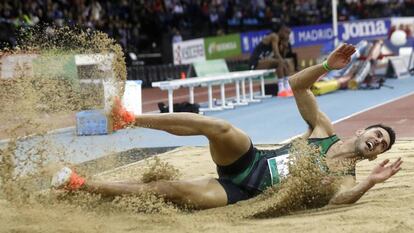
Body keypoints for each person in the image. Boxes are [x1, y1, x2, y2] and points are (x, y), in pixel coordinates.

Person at [51, 44, 402, 210]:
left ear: (375, 157)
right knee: (219, 126)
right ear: (360, 131)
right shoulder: (324, 131)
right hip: (250, 162)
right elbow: (297, 84)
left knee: (171, 190)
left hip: (244, 193)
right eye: (376, 134)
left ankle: (82, 185)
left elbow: (340, 200)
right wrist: (326, 64)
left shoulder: (347, 178)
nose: (377, 141)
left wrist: (369, 184)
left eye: (382, 144)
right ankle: (129, 119)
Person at [249, 24, 293, 97]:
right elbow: (276, 54)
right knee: (280, 62)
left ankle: (287, 87)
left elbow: (282, 56)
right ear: (281, 31)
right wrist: (283, 63)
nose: (287, 35)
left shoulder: (281, 41)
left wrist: (285, 46)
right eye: (286, 32)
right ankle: (281, 89)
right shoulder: (274, 36)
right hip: (255, 63)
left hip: (263, 62)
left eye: (289, 33)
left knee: (284, 62)